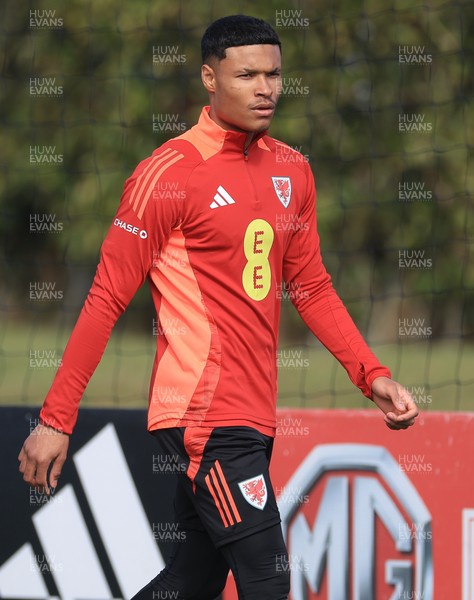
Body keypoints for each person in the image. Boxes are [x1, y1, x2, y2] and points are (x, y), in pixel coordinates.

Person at [18, 14, 419, 600]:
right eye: (247, 74)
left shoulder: (292, 169)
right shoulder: (169, 173)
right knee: (268, 578)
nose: (266, 88)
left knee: (193, 580)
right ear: (210, 78)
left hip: (252, 415)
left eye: (274, 74)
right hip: (204, 417)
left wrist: (371, 374)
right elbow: (106, 297)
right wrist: (57, 419)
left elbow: (311, 285)